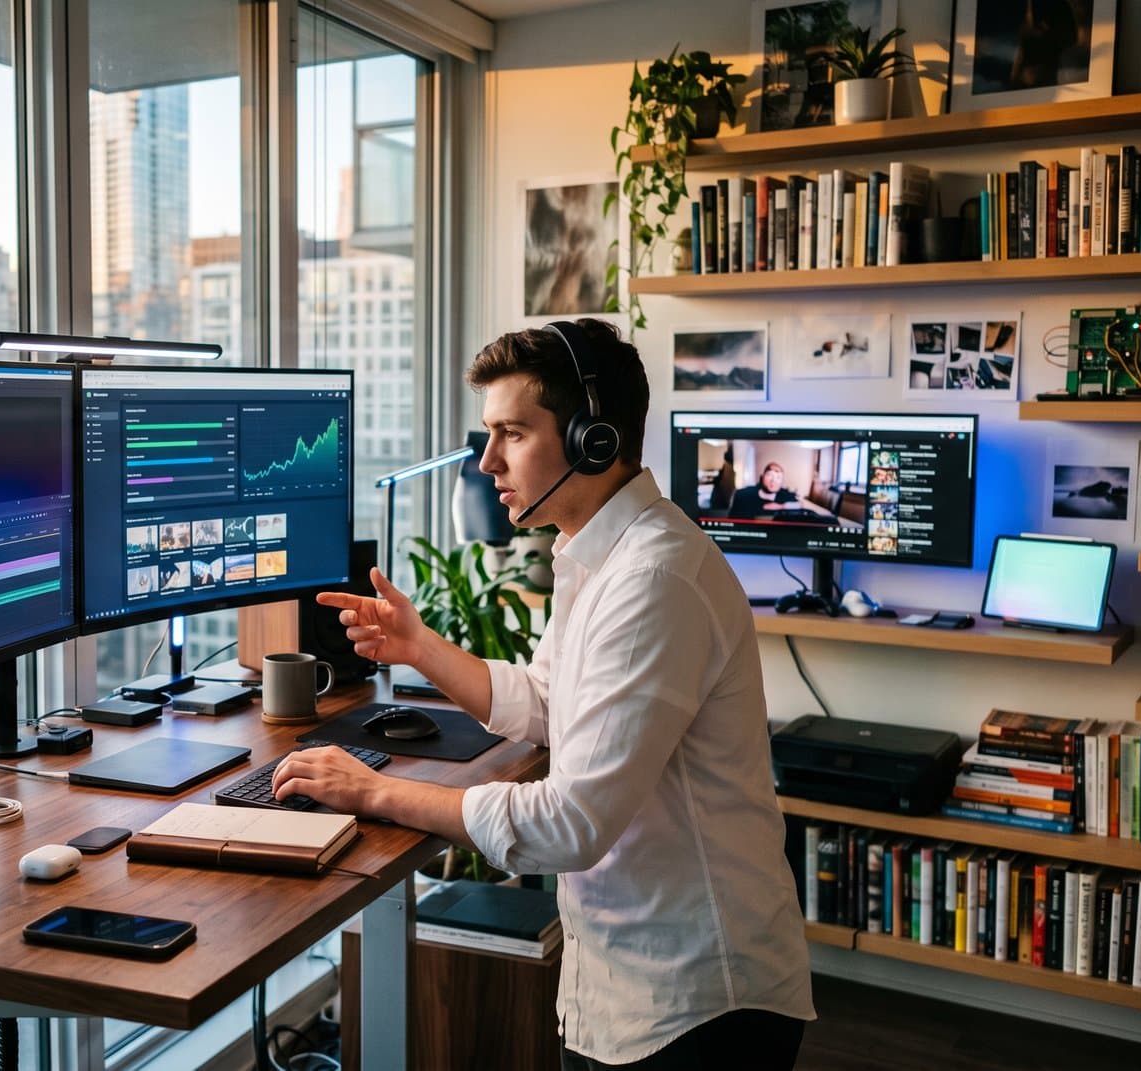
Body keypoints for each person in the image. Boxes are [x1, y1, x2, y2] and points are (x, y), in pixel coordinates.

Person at [274, 318, 814, 1070]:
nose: (488, 458)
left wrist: (374, 791)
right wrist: (419, 646)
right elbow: (550, 701)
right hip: (634, 977)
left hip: (694, 1001)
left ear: (595, 438)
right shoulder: (595, 550)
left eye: (512, 433)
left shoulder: (651, 580)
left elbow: (571, 822)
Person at [728, 461, 801, 521]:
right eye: (770, 475)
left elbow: (799, 506)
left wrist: (781, 506)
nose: (773, 480)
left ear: (782, 482)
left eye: (778, 477)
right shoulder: (743, 494)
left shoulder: (787, 496)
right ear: (762, 477)